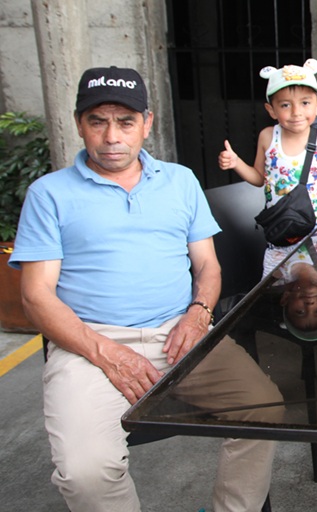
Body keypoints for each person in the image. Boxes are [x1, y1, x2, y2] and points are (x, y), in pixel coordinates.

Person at [10, 66, 284, 511]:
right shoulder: (49, 194)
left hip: (181, 330)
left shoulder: (179, 181)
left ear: (147, 123)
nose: (112, 136)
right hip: (89, 343)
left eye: (125, 121)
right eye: (98, 121)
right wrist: (107, 353)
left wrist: (198, 314)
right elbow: (35, 295)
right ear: (80, 124)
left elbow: (207, 267)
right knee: (85, 472)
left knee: (264, 411)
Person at [217, 58, 317, 275]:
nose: (296, 112)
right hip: (281, 233)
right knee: (279, 285)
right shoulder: (268, 137)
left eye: (305, 103)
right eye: (286, 105)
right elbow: (258, 177)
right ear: (271, 110)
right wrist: (236, 163)